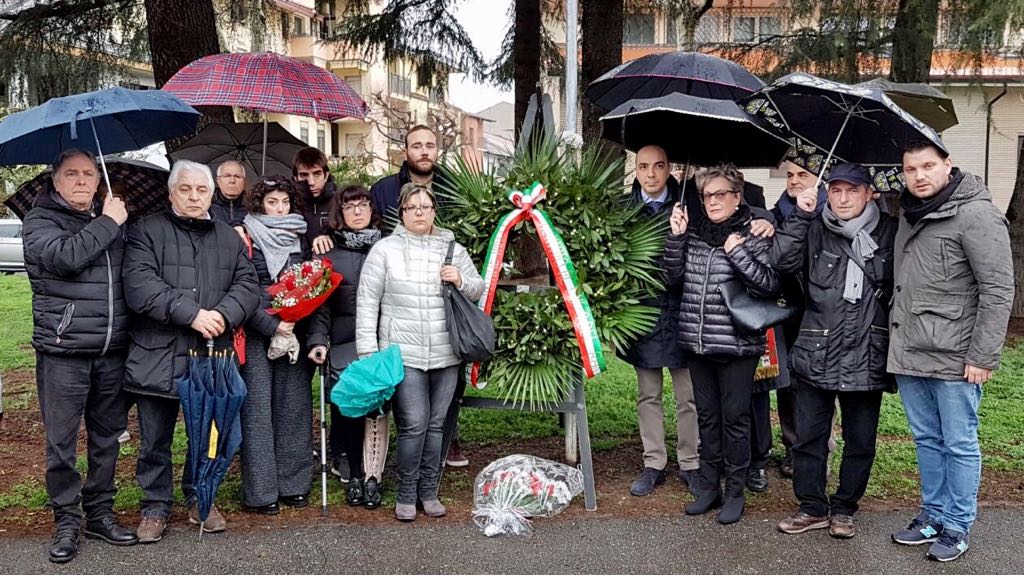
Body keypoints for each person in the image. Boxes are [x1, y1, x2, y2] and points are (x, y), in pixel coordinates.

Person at [122, 159, 260, 543]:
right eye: (186, 189)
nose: (194, 196)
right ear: (172, 193)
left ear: (212, 195)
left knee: (208, 435)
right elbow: (139, 286)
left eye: (202, 190)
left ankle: (202, 497)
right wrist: (192, 314)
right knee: (155, 440)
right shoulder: (145, 232)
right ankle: (154, 506)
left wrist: (222, 314)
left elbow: (248, 285)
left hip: (210, 355)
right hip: (158, 355)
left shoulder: (228, 237)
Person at [888, 142, 1013, 562]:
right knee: (926, 439)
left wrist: (982, 356)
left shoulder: (976, 214)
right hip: (910, 349)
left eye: (928, 166)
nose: (919, 175)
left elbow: (997, 290)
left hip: (956, 355)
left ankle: (958, 525)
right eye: (910, 169)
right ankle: (933, 515)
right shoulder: (908, 214)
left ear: (948, 165)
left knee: (958, 443)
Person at [22, 149, 137, 563]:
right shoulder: (39, 221)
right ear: (55, 181)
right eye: (71, 174)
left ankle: (100, 513)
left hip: (111, 350)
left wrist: (110, 221)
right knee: (62, 442)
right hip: (64, 350)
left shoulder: (113, 219)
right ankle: (66, 519)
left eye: (88, 173)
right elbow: (65, 258)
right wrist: (109, 222)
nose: (82, 181)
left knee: (107, 439)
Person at [772, 163, 897, 540]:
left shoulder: (890, 231)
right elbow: (781, 261)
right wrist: (799, 215)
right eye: (837, 190)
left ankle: (844, 509)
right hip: (817, 348)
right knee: (808, 437)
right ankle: (811, 507)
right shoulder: (813, 226)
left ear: (869, 193)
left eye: (852, 191)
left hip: (867, 352)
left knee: (861, 440)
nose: (842, 198)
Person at [356, 183, 483, 522]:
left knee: (438, 424)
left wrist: (460, 279)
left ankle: (430, 491)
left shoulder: (452, 248)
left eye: (425, 207)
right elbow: (368, 302)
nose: (419, 213)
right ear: (402, 212)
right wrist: (369, 351)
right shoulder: (384, 250)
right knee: (414, 424)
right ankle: (406, 492)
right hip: (403, 354)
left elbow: (478, 288)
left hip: (446, 353)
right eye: (412, 208)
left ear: (434, 211)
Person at [664, 163, 780, 525]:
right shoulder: (695, 232)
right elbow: (672, 278)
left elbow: (768, 285)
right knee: (708, 417)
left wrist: (738, 253)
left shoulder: (755, 234)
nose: (712, 201)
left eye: (719, 194)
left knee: (736, 419)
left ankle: (736, 491)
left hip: (737, 346)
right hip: (698, 343)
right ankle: (709, 487)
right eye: (706, 195)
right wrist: (677, 238)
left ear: (737, 196)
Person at [620, 145, 699, 497]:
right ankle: (654, 463)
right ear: (635, 170)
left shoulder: (687, 206)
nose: (650, 174)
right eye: (643, 166)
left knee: (689, 395)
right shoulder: (622, 210)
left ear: (670, 170)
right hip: (644, 315)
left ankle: (691, 462)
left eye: (658, 166)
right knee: (648, 393)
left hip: (682, 312)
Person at [237, 176, 313, 515]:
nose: (279, 208)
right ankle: (261, 491)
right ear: (259, 204)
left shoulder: (302, 236)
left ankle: (294, 484)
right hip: (257, 331)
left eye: (284, 201)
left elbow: (314, 282)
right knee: (257, 411)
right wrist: (273, 323)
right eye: (272, 202)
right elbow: (243, 287)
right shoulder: (245, 235)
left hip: (296, 329)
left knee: (293, 407)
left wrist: (294, 320)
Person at [308, 185, 386, 509]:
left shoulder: (387, 246)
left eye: (363, 204)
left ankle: (373, 476)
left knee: (377, 410)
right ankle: (354, 472)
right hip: (342, 343)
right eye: (350, 205)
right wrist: (316, 340)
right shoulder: (327, 252)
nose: (357, 211)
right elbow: (319, 305)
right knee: (352, 411)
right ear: (340, 212)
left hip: (381, 342)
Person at [765, 161, 829, 479]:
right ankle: (791, 447)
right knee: (787, 384)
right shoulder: (774, 214)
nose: (793, 181)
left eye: (802, 174)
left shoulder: (831, 214)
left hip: (821, 312)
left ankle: (819, 448)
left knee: (818, 384)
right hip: (786, 310)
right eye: (789, 175)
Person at [369, 125, 452, 224]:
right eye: (417, 147)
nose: (425, 152)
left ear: (437, 151)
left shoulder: (454, 188)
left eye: (430, 146)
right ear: (405, 153)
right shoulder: (381, 191)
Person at [292, 147, 337, 254]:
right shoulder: (287, 204)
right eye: (304, 175)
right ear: (295, 178)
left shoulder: (341, 202)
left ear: (326, 175)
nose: (311, 182)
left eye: (317, 174)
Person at [210, 160, 248, 228]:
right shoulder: (207, 204)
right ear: (218, 181)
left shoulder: (253, 206)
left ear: (244, 182)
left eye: (237, 176)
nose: (232, 181)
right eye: (227, 176)